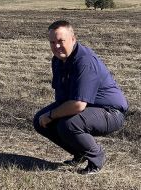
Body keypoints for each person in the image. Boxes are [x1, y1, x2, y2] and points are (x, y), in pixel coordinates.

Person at [33, 20, 128, 175]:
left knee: (68, 124)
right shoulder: (58, 60)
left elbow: (78, 105)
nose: (56, 46)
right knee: (40, 120)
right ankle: (80, 153)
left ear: (73, 39)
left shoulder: (85, 62)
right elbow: (62, 97)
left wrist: (51, 115)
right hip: (88, 106)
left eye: (61, 41)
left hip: (110, 112)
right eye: (52, 42)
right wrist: (50, 116)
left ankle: (97, 157)